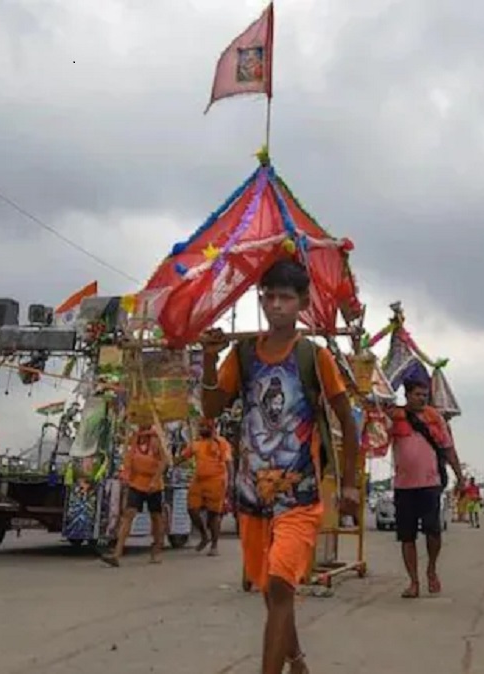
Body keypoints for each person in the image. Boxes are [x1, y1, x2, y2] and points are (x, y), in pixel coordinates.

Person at [200, 259, 360, 674]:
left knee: (280, 585)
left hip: (299, 498)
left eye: (285, 298)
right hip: (252, 499)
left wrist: (350, 487)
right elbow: (212, 408)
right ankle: (298, 661)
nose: (276, 306)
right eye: (268, 297)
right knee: (271, 594)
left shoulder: (314, 357)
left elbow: (347, 418)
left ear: (302, 303)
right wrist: (206, 358)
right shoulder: (245, 355)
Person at [388, 378, 463, 598]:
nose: (422, 398)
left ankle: (431, 568)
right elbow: (378, 438)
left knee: (433, 531)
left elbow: (449, 448)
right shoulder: (395, 418)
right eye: (417, 394)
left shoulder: (434, 419)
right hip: (403, 486)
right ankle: (413, 581)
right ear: (407, 395)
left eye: (424, 395)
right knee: (407, 536)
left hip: (430, 484)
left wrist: (459, 476)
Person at [104, 425, 170, 566]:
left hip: (154, 486)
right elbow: (128, 459)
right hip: (136, 484)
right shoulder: (134, 439)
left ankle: (156, 551)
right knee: (128, 514)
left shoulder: (156, 438)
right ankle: (117, 553)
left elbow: (164, 461)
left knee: (156, 517)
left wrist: (155, 480)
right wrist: (126, 475)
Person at [183, 417, 232, 556]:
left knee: (214, 514)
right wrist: (169, 460)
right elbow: (183, 456)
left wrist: (231, 482)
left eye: (205, 426)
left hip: (216, 481)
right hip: (198, 481)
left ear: (212, 428)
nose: (202, 429)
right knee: (192, 509)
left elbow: (228, 462)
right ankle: (205, 535)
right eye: (201, 426)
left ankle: (214, 545)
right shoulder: (196, 444)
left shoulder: (221, 443)